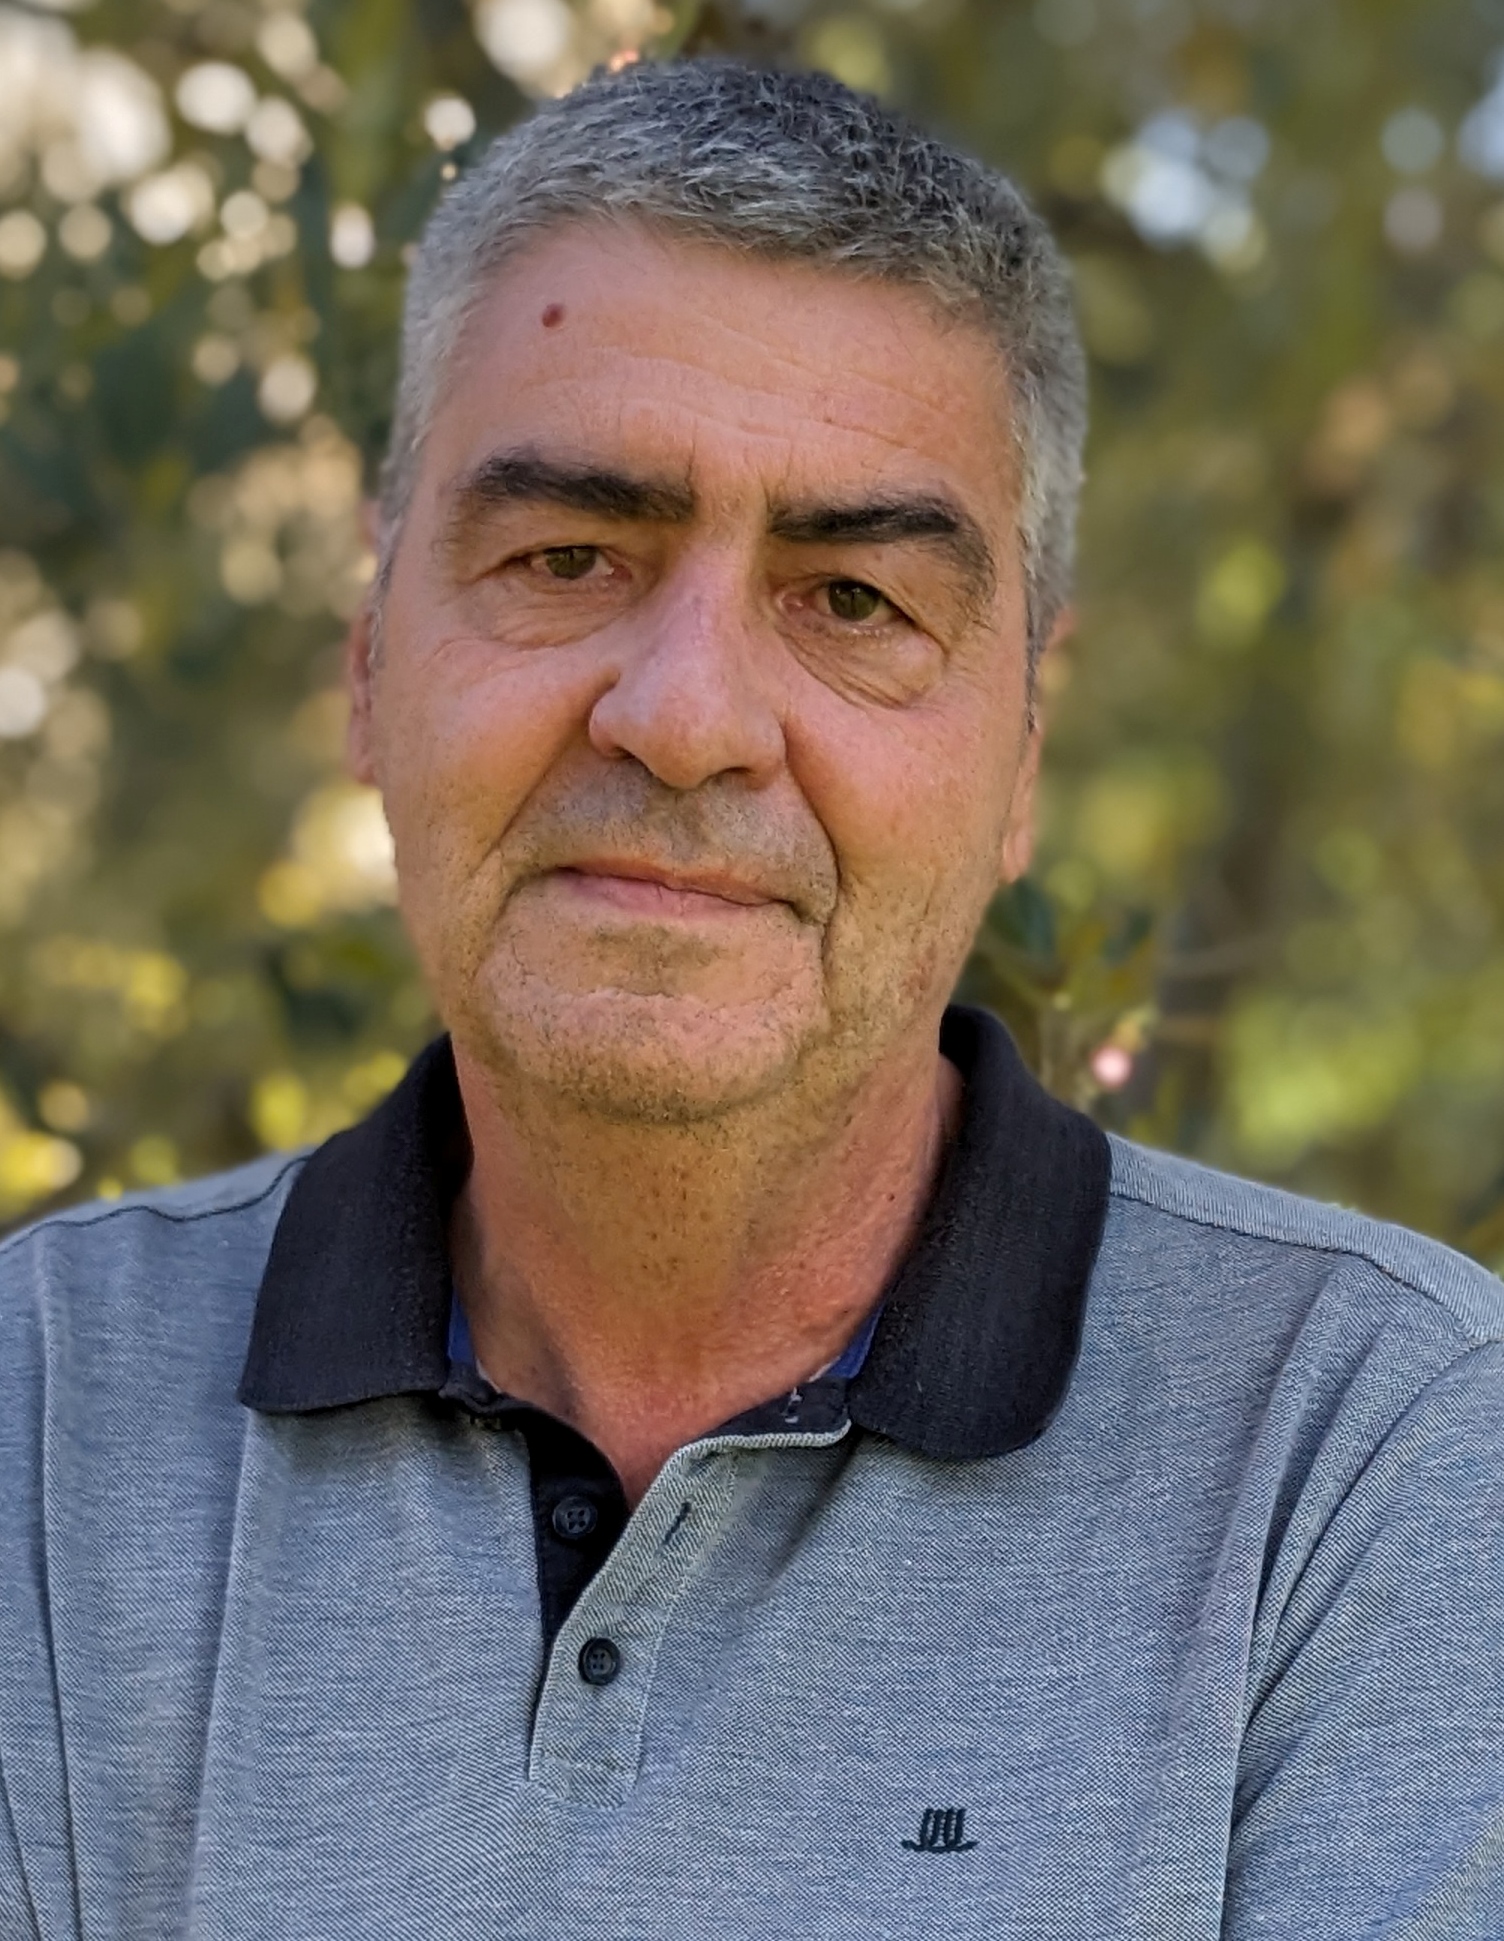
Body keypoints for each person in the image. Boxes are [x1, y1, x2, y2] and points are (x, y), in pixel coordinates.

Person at [2, 57, 1501, 1941]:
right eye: (568, 558)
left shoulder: (1383, 1460)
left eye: (854, 598)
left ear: (1025, 752)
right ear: (370, 662)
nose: (688, 717)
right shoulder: (35, 1415)